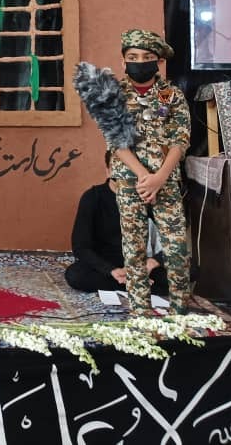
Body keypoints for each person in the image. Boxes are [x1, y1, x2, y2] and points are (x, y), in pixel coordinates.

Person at [109, 29, 192, 316]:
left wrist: (159, 178)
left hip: (165, 180)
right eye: (132, 57)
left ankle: (179, 310)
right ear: (123, 62)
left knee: (177, 247)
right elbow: (116, 142)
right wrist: (145, 177)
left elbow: (180, 140)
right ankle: (140, 311)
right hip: (129, 181)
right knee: (133, 248)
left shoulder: (172, 95)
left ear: (158, 61)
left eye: (146, 57)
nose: (139, 62)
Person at [66, 152, 170, 296]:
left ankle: (133, 283)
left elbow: (173, 238)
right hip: (105, 265)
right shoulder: (93, 197)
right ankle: (134, 284)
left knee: (188, 270)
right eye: (118, 168)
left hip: (140, 264)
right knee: (75, 275)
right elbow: (80, 247)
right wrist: (111, 270)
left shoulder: (146, 196)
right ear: (108, 171)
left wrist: (151, 263)